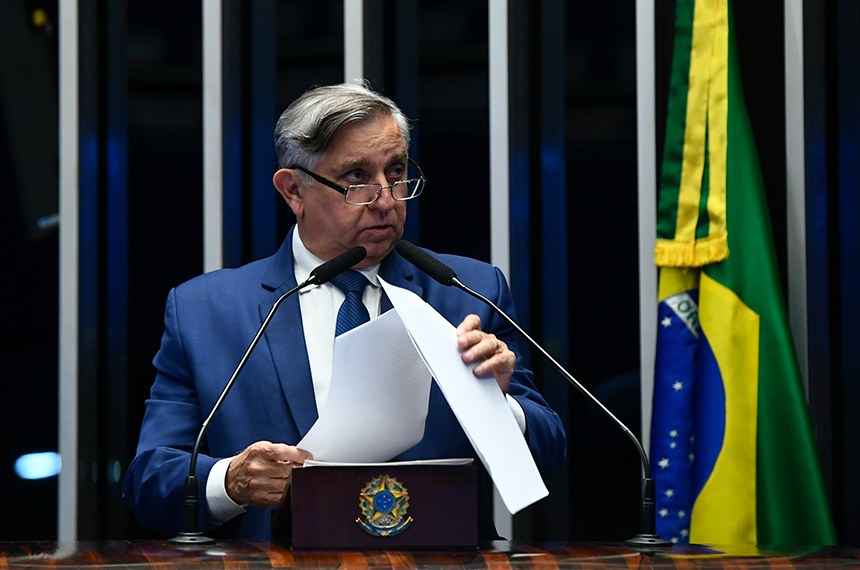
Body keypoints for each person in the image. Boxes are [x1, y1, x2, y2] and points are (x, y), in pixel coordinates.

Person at [122, 80, 566, 540]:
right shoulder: (204, 312)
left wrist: (497, 404)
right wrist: (230, 481)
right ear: (293, 190)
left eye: (396, 173)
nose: (388, 200)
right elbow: (150, 480)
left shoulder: (466, 291)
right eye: (357, 178)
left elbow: (549, 452)